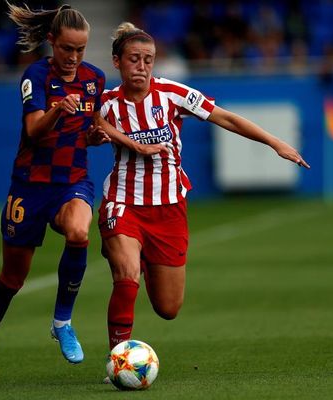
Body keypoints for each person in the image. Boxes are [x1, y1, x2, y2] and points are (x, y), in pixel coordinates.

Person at [97, 22, 310, 353]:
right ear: (117, 62)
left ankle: (143, 257)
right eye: (134, 59)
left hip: (169, 208)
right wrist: (94, 136)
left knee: (168, 308)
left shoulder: (172, 93)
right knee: (126, 275)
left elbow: (225, 118)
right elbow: (84, 132)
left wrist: (274, 142)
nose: (141, 66)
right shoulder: (105, 104)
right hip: (123, 201)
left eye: (148, 59)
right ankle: (118, 357)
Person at [0, 2, 114, 386]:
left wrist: (96, 136)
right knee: (12, 280)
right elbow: (34, 131)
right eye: (67, 48)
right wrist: (58, 109)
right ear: (52, 41)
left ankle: (62, 321)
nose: (73, 57)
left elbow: (88, 130)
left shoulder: (95, 79)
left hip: (71, 182)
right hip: (30, 187)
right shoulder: (36, 75)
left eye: (80, 49)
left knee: (79, 232)